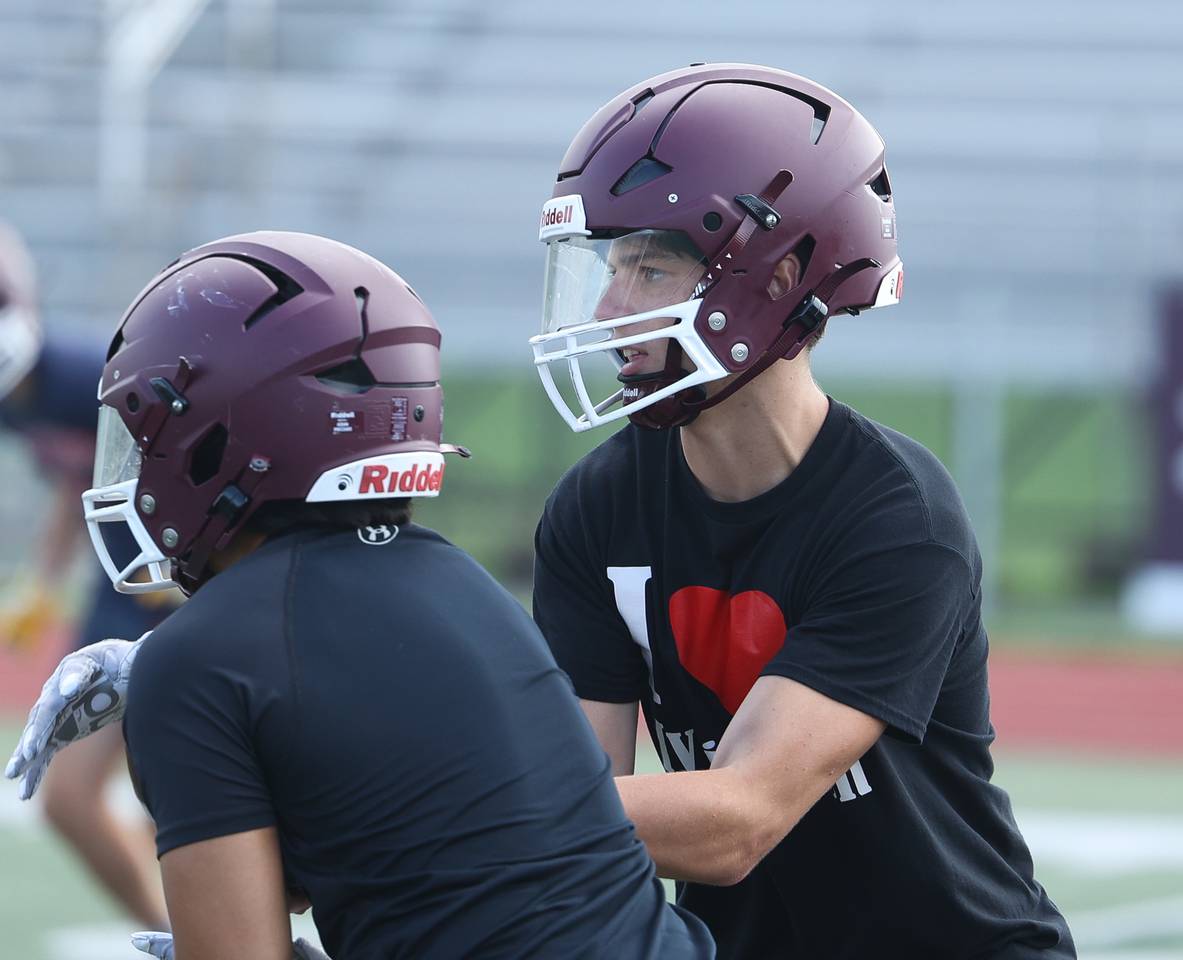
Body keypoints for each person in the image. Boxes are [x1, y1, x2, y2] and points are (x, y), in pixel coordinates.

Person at [10, 230, 713, 959]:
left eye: (144, 434)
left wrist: (172, 682)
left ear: (220, 441)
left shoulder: (199, 661)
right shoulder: (465, 587)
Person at [528, 63, 1075, 958]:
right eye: (611, 267)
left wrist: (443, 805)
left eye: (651, 267)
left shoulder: (898, 517)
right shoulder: (597, 508)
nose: (609, 308)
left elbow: (736, 821)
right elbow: (578, 799)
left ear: (778, 279)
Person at [0, 219, 173, 931]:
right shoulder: (17, 401)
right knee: (72, 799)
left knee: (204, 793)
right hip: (124, 588)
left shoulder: (84, 373)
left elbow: (177, 455)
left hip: (178, 582)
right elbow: (84, 481)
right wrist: (42, 582)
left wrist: (182, 564)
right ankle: (182, 934)